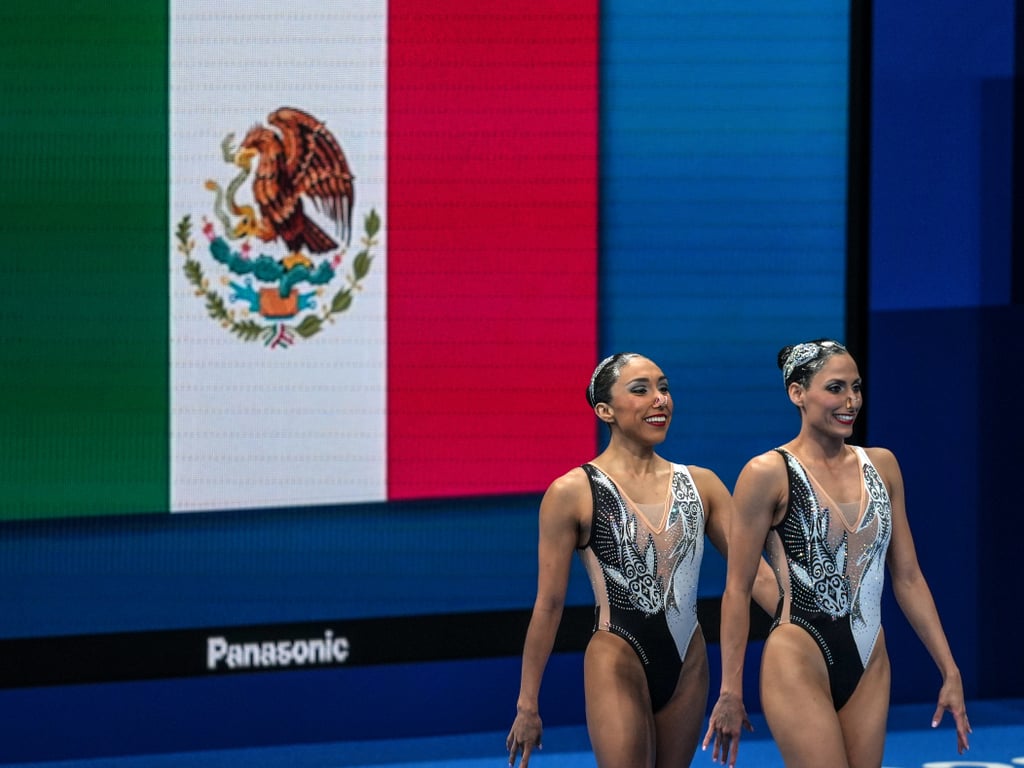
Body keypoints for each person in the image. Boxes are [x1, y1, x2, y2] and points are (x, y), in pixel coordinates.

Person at [704, 339, 971, 767]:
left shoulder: (882, 466)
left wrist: (949, 669)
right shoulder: (767, 473)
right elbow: (737, 588)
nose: (850, 401)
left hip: (870, 659)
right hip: (798, 654)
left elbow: (908, 577)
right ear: (797, 393)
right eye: (835, 388)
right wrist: (730, 691)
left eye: (857, 387)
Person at [506, 352, 776, 768]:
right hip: (617, 657)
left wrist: (816, 633)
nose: (660, 400)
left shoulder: (702, 485)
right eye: (641, 390)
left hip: (689, 663)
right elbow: (549, 604)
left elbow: (755, 576)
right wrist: (527, 704)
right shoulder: (571, 492)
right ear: (605, 410)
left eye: (664, 388)